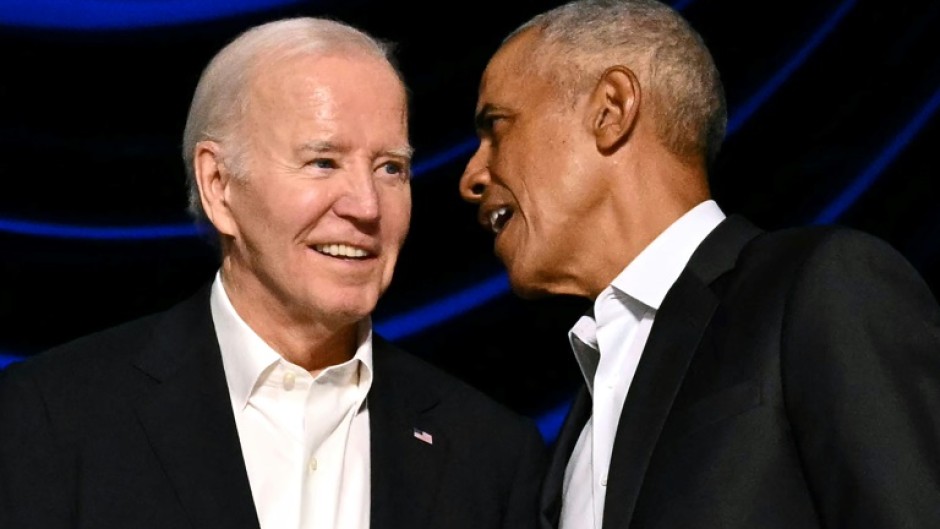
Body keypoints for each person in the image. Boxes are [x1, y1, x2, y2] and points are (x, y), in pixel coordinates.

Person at [0, 17, 547, 529]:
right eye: (323, 162)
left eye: (391, 169)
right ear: (219, 185)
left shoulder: (492, 457)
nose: (366, 206)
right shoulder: (48, 419)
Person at [458, 1, 940, 528]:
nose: (472, 176)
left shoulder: (821, 285)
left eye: (496, 128)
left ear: (611, 110)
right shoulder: (576, 432)